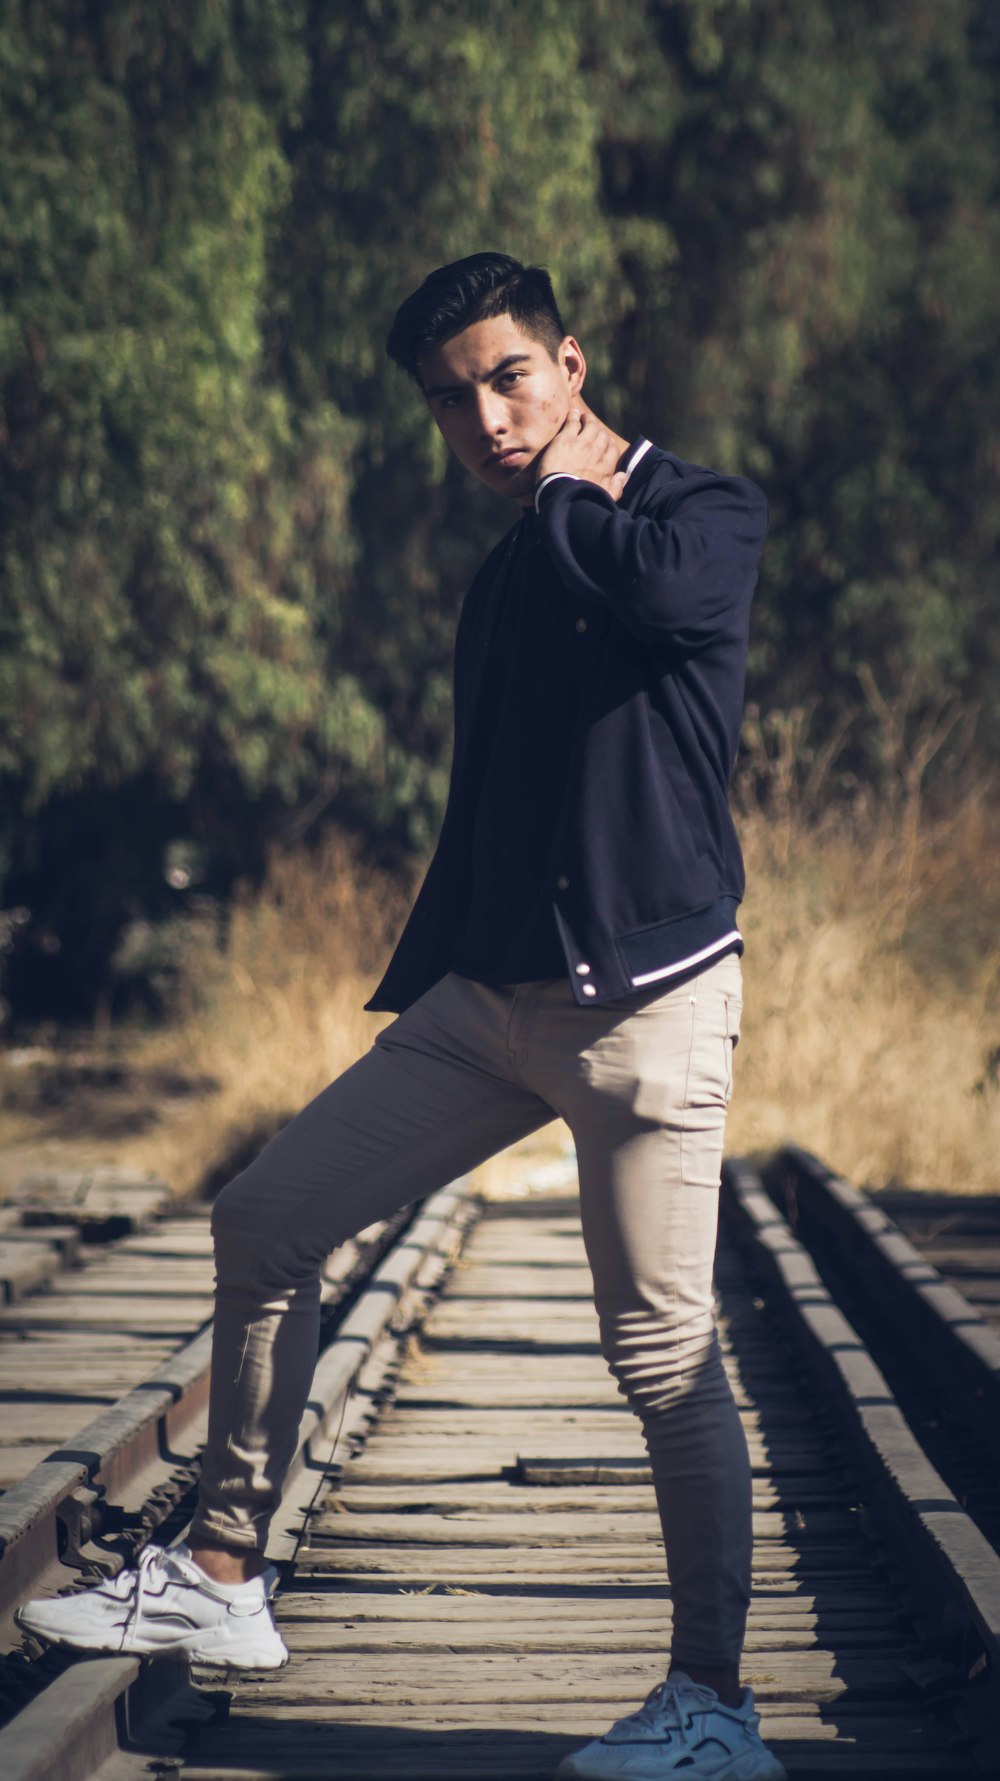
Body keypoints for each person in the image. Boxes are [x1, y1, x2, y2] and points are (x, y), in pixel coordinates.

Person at [17, 254, 781, 1781]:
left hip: (645, 1015)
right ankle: (226, 1576)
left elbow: (660, 595)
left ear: (571, 361)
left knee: (663, 1354)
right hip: (488, 1010)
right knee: (267, 1218)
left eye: (508, 377)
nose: (484, 417)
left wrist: (569, 482)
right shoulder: (505, 573)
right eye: (452, 399)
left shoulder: (699, 512)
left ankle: (714, 1702)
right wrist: (450, 963)